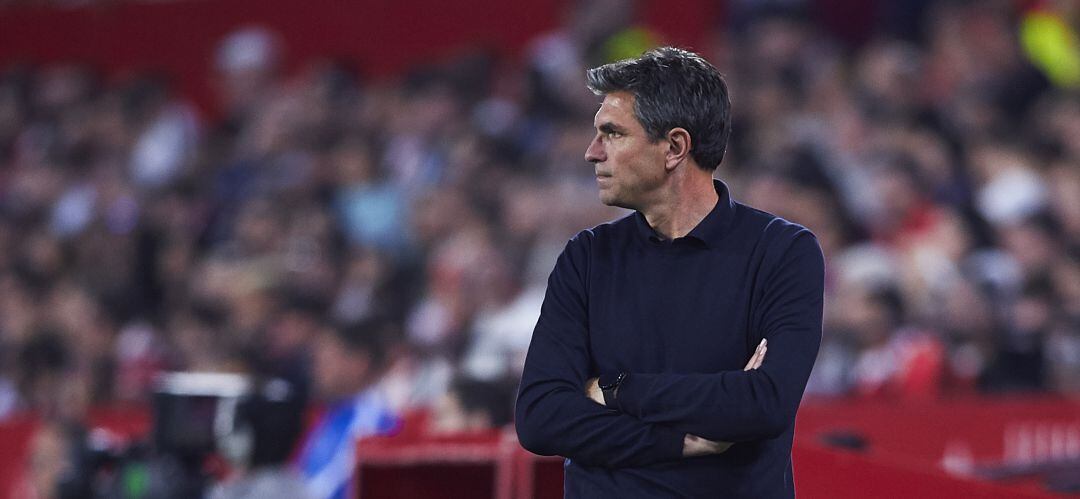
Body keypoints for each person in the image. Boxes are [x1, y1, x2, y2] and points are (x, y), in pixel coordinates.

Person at [514, 47, 824, 498]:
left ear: (675, 147)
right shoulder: (586, 258)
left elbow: (764, 404)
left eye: (613, 134)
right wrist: (674, 440)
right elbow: (540, 418)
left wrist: (615, 390)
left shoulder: (782, 252)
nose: (591, 152)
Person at [294, 320, 399, 499]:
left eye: (326, 358)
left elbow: (329, 487)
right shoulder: (331, 414)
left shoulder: (372, 420)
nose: (316, 368)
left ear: (358, 364)